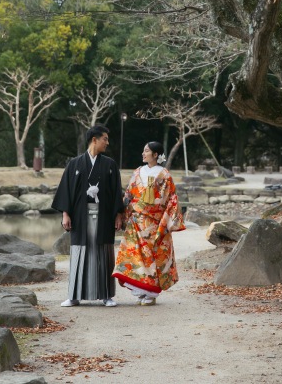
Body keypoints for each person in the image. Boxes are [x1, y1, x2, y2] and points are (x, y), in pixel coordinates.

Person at [52, 124, 124, 307]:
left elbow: (116, 192)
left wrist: (119, 215)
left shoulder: (110, 165)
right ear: (95, 140)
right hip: (80, 216)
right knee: (79, 253)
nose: (107, 143)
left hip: (104, 215)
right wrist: (65, 214)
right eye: (105, 139)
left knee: (104, 254)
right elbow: (66, 191)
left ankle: (107, 295)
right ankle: (74, 295)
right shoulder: (75, 164)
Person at [113, 141, 185, 305]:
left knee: (152, 256)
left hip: (156, 222)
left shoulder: (165, 174)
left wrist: (168, 221)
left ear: (155, 155)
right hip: (137, 220)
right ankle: (140, 290)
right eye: (143, 150)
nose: (143, 153)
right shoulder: (138, 172)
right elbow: (128, 194)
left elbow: (172, 199)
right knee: (136, 255)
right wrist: (123, 213)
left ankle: (151, 293)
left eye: (147, 151)